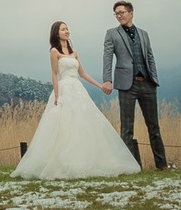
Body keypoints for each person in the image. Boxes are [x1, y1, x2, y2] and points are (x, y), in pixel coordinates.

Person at [10, 21, 140, 179]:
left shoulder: (74, 52)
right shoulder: (54, 51)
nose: (67, 31)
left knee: (83, 124)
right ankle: (62, 162)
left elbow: (82, 74)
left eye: (67, 29)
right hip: (64, 88)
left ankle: (83, 160)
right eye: (63, 29)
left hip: (78, 89)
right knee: (64, 126)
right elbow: (54, 74)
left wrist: (100, 85)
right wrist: (57, 95)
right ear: (56, 33)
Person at [102, 0, 171, 170]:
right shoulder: (112, 33)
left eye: (122, 12)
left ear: (131, 13)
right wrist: (107, 80)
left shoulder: (144, 34)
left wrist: (154, 79)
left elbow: (150, 57)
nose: (119, 16)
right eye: (116, 13)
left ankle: (162, 165)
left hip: (147, 84)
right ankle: (128, 167)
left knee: (154, 126)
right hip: (127, 85)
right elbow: (108, 57)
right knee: (127, 128)